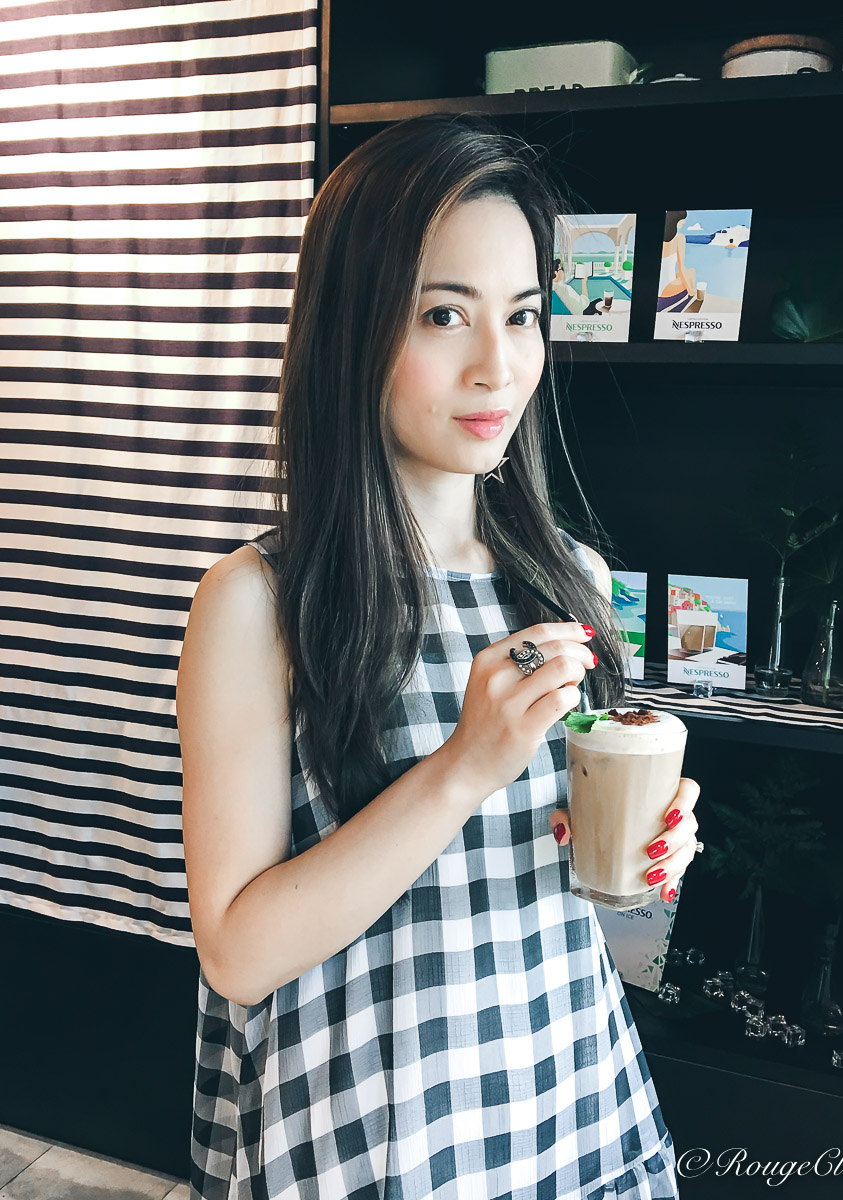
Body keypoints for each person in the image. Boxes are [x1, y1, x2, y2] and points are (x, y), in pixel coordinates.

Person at [177, 112, 702, 1200]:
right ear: (352, 326)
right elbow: (237, 953)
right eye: (443, 314)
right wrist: (464, 767)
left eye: (523, 314)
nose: (497, 366)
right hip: (384, 1127)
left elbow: (617, 939)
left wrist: (649, 869)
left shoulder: (572, 579)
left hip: (569, 1100)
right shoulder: (259, 601)